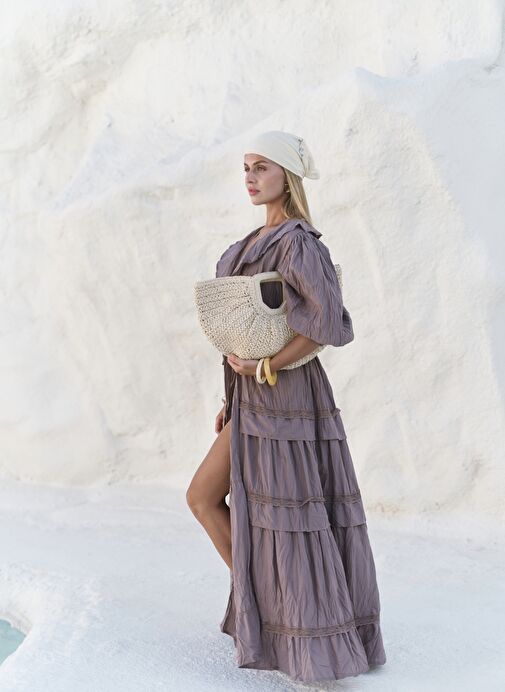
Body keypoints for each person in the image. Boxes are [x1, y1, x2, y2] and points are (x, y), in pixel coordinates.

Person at [186, 130, 387, 683]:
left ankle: (295, 622)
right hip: (251, 396)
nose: (250, 178)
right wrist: (232, 396)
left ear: (287, 176)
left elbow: (325, 323)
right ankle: (270, 607)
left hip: (288, 395)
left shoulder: (300, 243)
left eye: (262, 167)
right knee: (208, 498)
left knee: (288, 513)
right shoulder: (252, 241)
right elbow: (243, 327)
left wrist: (267, 367)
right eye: (246, 168)